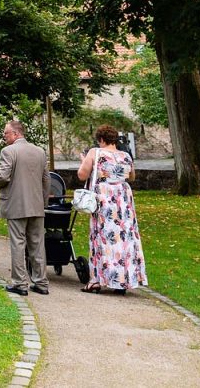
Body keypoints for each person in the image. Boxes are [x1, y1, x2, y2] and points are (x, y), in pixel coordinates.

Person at [77, 124, 148, 294]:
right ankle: (122, 280)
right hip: (123, 199)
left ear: (100, 139)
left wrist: (84, 161)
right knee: (124, 238)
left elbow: (82, 175)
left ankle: (96, 280)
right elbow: (131, 176)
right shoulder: (125, 155)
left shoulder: (95, 152)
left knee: (101, 237)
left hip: (104, 198)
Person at [0, 120, 50, 296]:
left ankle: (20, 283)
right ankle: (41, 282)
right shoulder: (40, 151)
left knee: (18, 243)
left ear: (16, 134)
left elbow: (2, 176)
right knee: (37, 244)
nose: (4, 137)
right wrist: (44, 201)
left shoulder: (8, 152)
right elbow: (46, 179)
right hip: (36, 204)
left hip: (16, 204)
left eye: (6, 133)